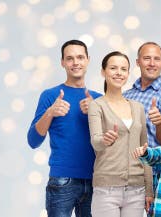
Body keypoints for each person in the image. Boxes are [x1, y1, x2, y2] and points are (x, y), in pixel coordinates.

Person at [27, 39, 102, 217]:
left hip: (96, 182)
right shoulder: (50, 96)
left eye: (80, 57)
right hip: (62, 181)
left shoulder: (99, 100)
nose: (75, 62)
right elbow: (33, 141)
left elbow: (110, 142)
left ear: (88, 60)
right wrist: (50, 112)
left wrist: (96, 112)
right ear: (62, 62)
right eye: (69, 58)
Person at [87, 51, 153, 216]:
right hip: (106, 189)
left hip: (137, 190)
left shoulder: (138, 107)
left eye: (123, 69)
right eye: (113, 68)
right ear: (103, 72)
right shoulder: (96, 106)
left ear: (128, 73)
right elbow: (95, 141)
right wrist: (105, 139)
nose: (119, 73)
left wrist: (149, 190)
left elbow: (146, 151)